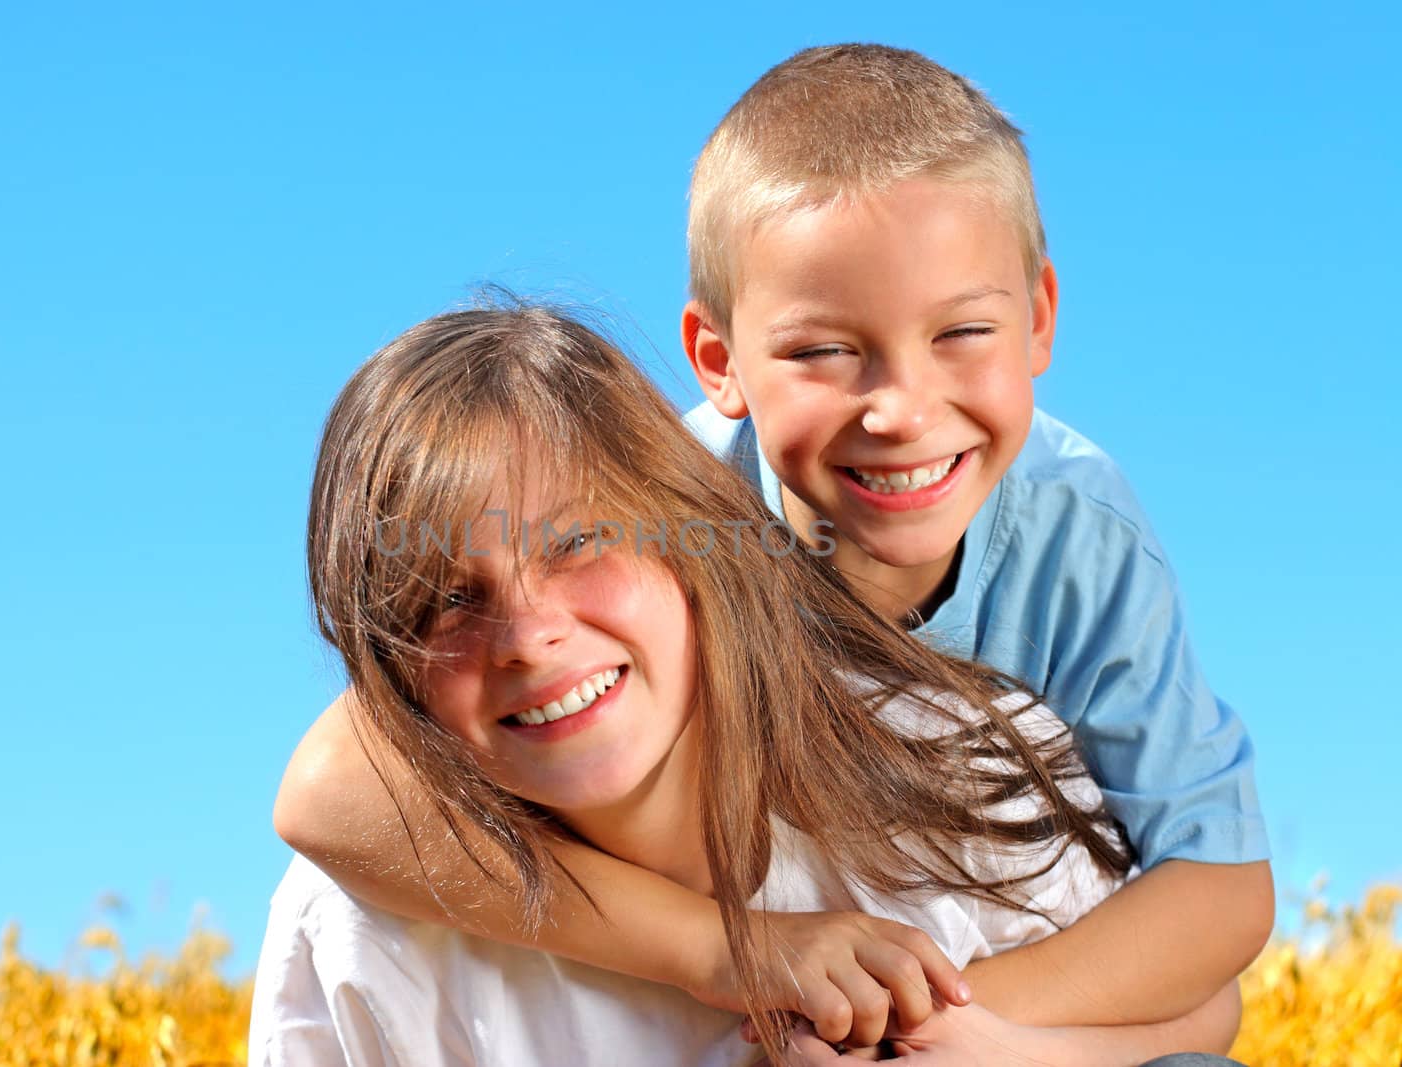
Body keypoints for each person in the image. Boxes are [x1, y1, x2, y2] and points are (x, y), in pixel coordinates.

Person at [273, 43, 1272, 1052]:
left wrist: (907, 1022)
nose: (900, 410)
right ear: (718, 361)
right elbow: (327, 790)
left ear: (1039, 319)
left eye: (960, 331)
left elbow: (1221, 895)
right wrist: (731, 949)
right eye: (823, 352)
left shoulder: (1076, 534)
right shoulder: (662, 500)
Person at [250, 304, 1243, 1065]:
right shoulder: (360, 923)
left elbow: (1195, 1013)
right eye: (447, 600)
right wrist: (735, 950)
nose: (528, 634)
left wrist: (990, 1043)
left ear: (689, 542)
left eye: (580, 542)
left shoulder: (945, 767)